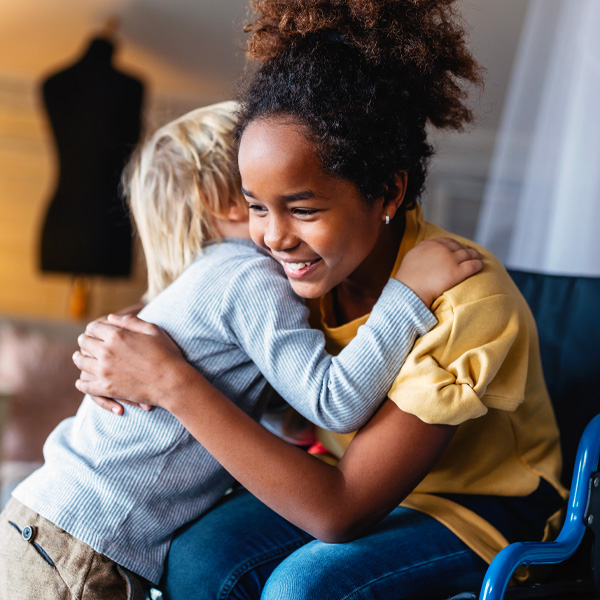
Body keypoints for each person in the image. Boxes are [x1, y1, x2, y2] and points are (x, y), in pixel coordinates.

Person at [71, 1, 569, 599]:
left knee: (302, 588)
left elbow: (340, 511)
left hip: (479, 507)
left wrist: (171, 382)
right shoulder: (288, 275)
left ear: (387, 190)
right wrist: (127, 346)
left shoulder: (468, 303)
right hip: (348, 472)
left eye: (303, 208)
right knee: (197, 559)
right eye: (257, 205)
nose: (275, 237)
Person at [0, 102, 479, 599]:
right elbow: (337, 402)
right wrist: (408, 294)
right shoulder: (249, 277)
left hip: (50, 525)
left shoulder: (211, 277)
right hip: (80, 547)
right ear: (232, 198)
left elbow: (279, 417)